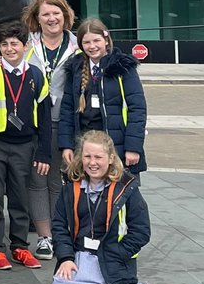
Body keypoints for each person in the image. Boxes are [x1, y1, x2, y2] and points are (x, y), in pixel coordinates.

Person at [0, 20, 51, 272]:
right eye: (4, 44)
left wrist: (43, 152)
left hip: (24, 145)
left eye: (14, 44)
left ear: (25, 46)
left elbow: (45, 116)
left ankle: (19, 246)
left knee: (20, 197)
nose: (10, 49)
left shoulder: (36, 75)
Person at [47, 130, 154, 284]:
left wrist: (118, 253)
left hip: (112, 258)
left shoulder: (127, 189)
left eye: (98, 157)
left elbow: (141, 231)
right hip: (80, 256)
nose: (92, 162)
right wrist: (66, 258)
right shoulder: (70, 188)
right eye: (87, 156)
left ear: (111, 158)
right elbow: (59, 226)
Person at [23, 0, 80, 260]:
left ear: (65, 15)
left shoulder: (78, 46)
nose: (51, 18)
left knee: (58, 180)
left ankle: (59, 233)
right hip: (32, 123)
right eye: (45, 14)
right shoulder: (26, 45)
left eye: (56, 13)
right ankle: (44, 237)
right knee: (37, 180)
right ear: (37, 18)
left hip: (63, 121)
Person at [59, 19, 148, 178]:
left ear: (106, 40)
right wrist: (67, 145)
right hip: (85, 148)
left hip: (116, 145)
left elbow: (137, 109)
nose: (92, 46)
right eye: (86, 42)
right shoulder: (75, 68)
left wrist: (133, 147)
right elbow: (67, 109)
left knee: (118, 191)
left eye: (96, 41)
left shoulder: (122, 67)